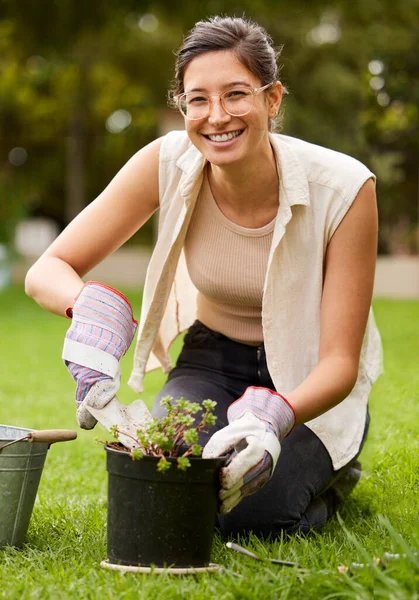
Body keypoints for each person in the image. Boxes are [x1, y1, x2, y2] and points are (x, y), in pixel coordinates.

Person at [25, 16, 382, 537]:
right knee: (169, 479)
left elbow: (340, 363)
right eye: (198, 99)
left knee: (254, 511)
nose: (216, 117)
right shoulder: (165, 162)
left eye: (236, 94)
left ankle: (333, 468)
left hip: (307, 379)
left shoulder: (345, 188)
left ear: (272, 99)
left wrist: (278, 415)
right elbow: (46, 271)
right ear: (182, 105)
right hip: (211, 360)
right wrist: (87, 307)